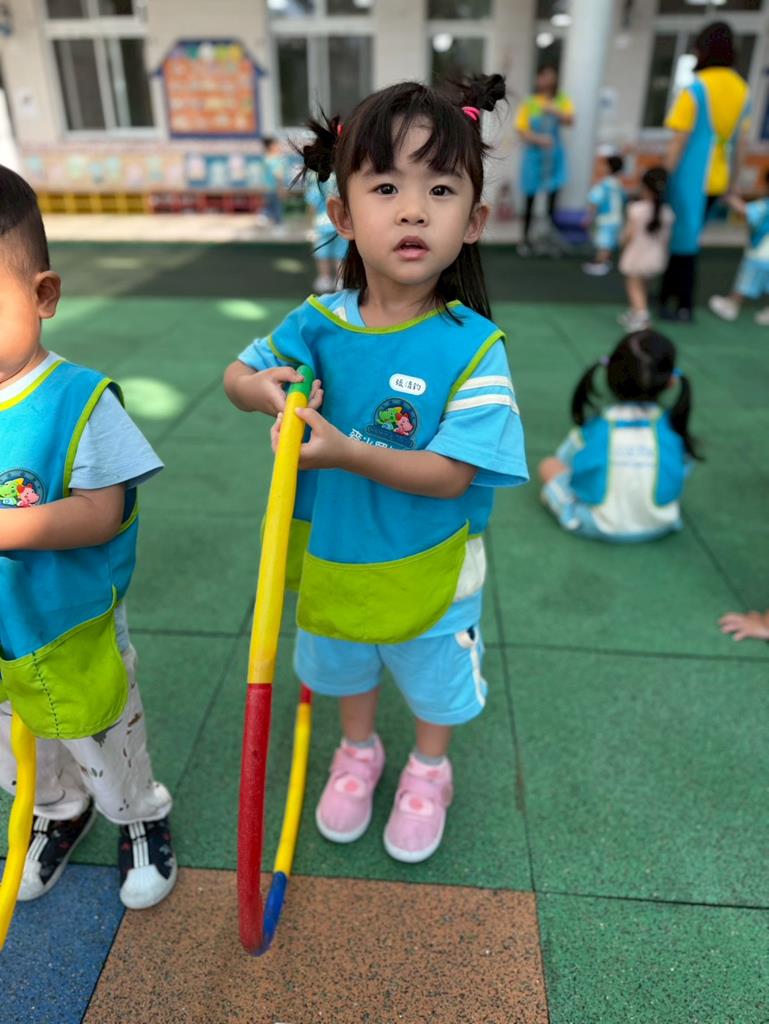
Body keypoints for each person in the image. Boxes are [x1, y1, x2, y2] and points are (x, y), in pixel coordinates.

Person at [224, 76, 528, 864]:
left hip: (431, 567)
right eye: (386, 186)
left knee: (433, 681)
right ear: (343, 216)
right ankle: (357, 751)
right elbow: (237, 376)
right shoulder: (315, 324)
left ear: (473, 223)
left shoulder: (473, 349)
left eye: (440, 189)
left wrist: (347, 451)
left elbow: (451, 475)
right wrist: (264, 391)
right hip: (333, 555)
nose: (413, 210)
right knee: (346, 663)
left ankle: (430, 768)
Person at [0, 165, 176, 909]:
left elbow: (101, 512)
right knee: (20, 750)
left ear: (42, 295)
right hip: (5, 637)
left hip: (73, 627)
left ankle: (140, 816)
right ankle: (57, 812)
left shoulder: (77, 399)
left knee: (102, 735)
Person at [538, 330, 699, 543]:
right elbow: (683, 468)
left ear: (609, 373)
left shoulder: (596, 427)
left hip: (598, 524)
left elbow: (566, 462)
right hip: (662, 522)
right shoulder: (673, 427)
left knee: (548, 465)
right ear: (671, 381)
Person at [660, 21, 750, 322]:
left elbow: (679, 141)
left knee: (683, 240)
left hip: (690, 176)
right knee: (689, 237)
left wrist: (662, 177)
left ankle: (680, 303)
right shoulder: (741, 89)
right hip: (719, 177)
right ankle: (670, 295)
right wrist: (733, 183)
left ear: (702, 50)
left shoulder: (696, 89)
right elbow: (741, 144)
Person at [515, 65, 575, 255]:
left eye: (551, 76)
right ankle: (525, 240)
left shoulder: (561, 99)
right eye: (544, 76)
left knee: (552, 199)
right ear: (538, 78)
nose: (548, 80)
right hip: (534, 157)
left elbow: (570, 120)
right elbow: (521, 130)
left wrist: (553, 110)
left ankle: (549, 238)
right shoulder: (530, 102)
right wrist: (539, 139)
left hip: (554, 157)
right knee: (530, 199)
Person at [617, 166, 674, 331]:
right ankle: (636, 312)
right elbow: (666, 239)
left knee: (634, 286)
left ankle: (642, 315)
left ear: (644, 187)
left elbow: (628, 234)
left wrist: (622, 243)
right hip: (656, 256)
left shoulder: (636, 209)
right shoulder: (668, 212)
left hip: (637, 255)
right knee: (644, 286)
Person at [708, 172, 769, 325]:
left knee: (744, 284)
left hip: (758, 255)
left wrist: (729, 196)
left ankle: (731, 305)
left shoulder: (764, 205)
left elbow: (745, 210)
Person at [582, 153, 626, 276]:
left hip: (606, 218)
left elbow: (594, 201)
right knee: (609, 242)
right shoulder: (619, 184)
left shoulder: (603, 185)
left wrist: (588, 217)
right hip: (617, 218)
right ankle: (605, 261)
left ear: (608, 167)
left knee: (604, 242)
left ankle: (600, 263)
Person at [305, 170, 347, 293]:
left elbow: (311, 208)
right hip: (339, 224)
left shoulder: (316, 188)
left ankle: (326, 278)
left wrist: (310, 227)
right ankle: (339, 279)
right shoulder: (340, 188)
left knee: (323, 253)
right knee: (340, 253)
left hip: (322, 225)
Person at [261, 136, 287, 227]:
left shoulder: (266, 158)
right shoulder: (275, 159)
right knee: (277, 209)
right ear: (271, 146)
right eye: (276, 145)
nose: (278, 146)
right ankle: (277, 226)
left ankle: (266, 218)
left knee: (271, 208)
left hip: (268, 188)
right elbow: (278, 175)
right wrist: (281, 188)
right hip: (275, 188)